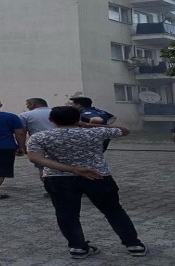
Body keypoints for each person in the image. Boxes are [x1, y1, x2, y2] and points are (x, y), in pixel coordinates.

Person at [27, 106, 146, 259]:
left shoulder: (39, 137)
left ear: (51, 120)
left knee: (66, 213)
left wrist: (72, 169)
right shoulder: (96, 132)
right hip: (97, 176)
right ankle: (133, 244)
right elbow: (124, 130)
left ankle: (77, 247)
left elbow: (36, 158)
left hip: (58, 179)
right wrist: (89, 125)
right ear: (78, 119)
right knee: (113, 210)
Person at [19, 98, 55, 192]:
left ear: (32, 104)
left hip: (40, 144)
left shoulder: (25, 115)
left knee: (43, 167)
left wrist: (22, 147)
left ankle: (50, 189)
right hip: (60, 142)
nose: (26, 106)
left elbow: (22, 132)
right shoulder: (56, 112)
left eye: (27, 104)